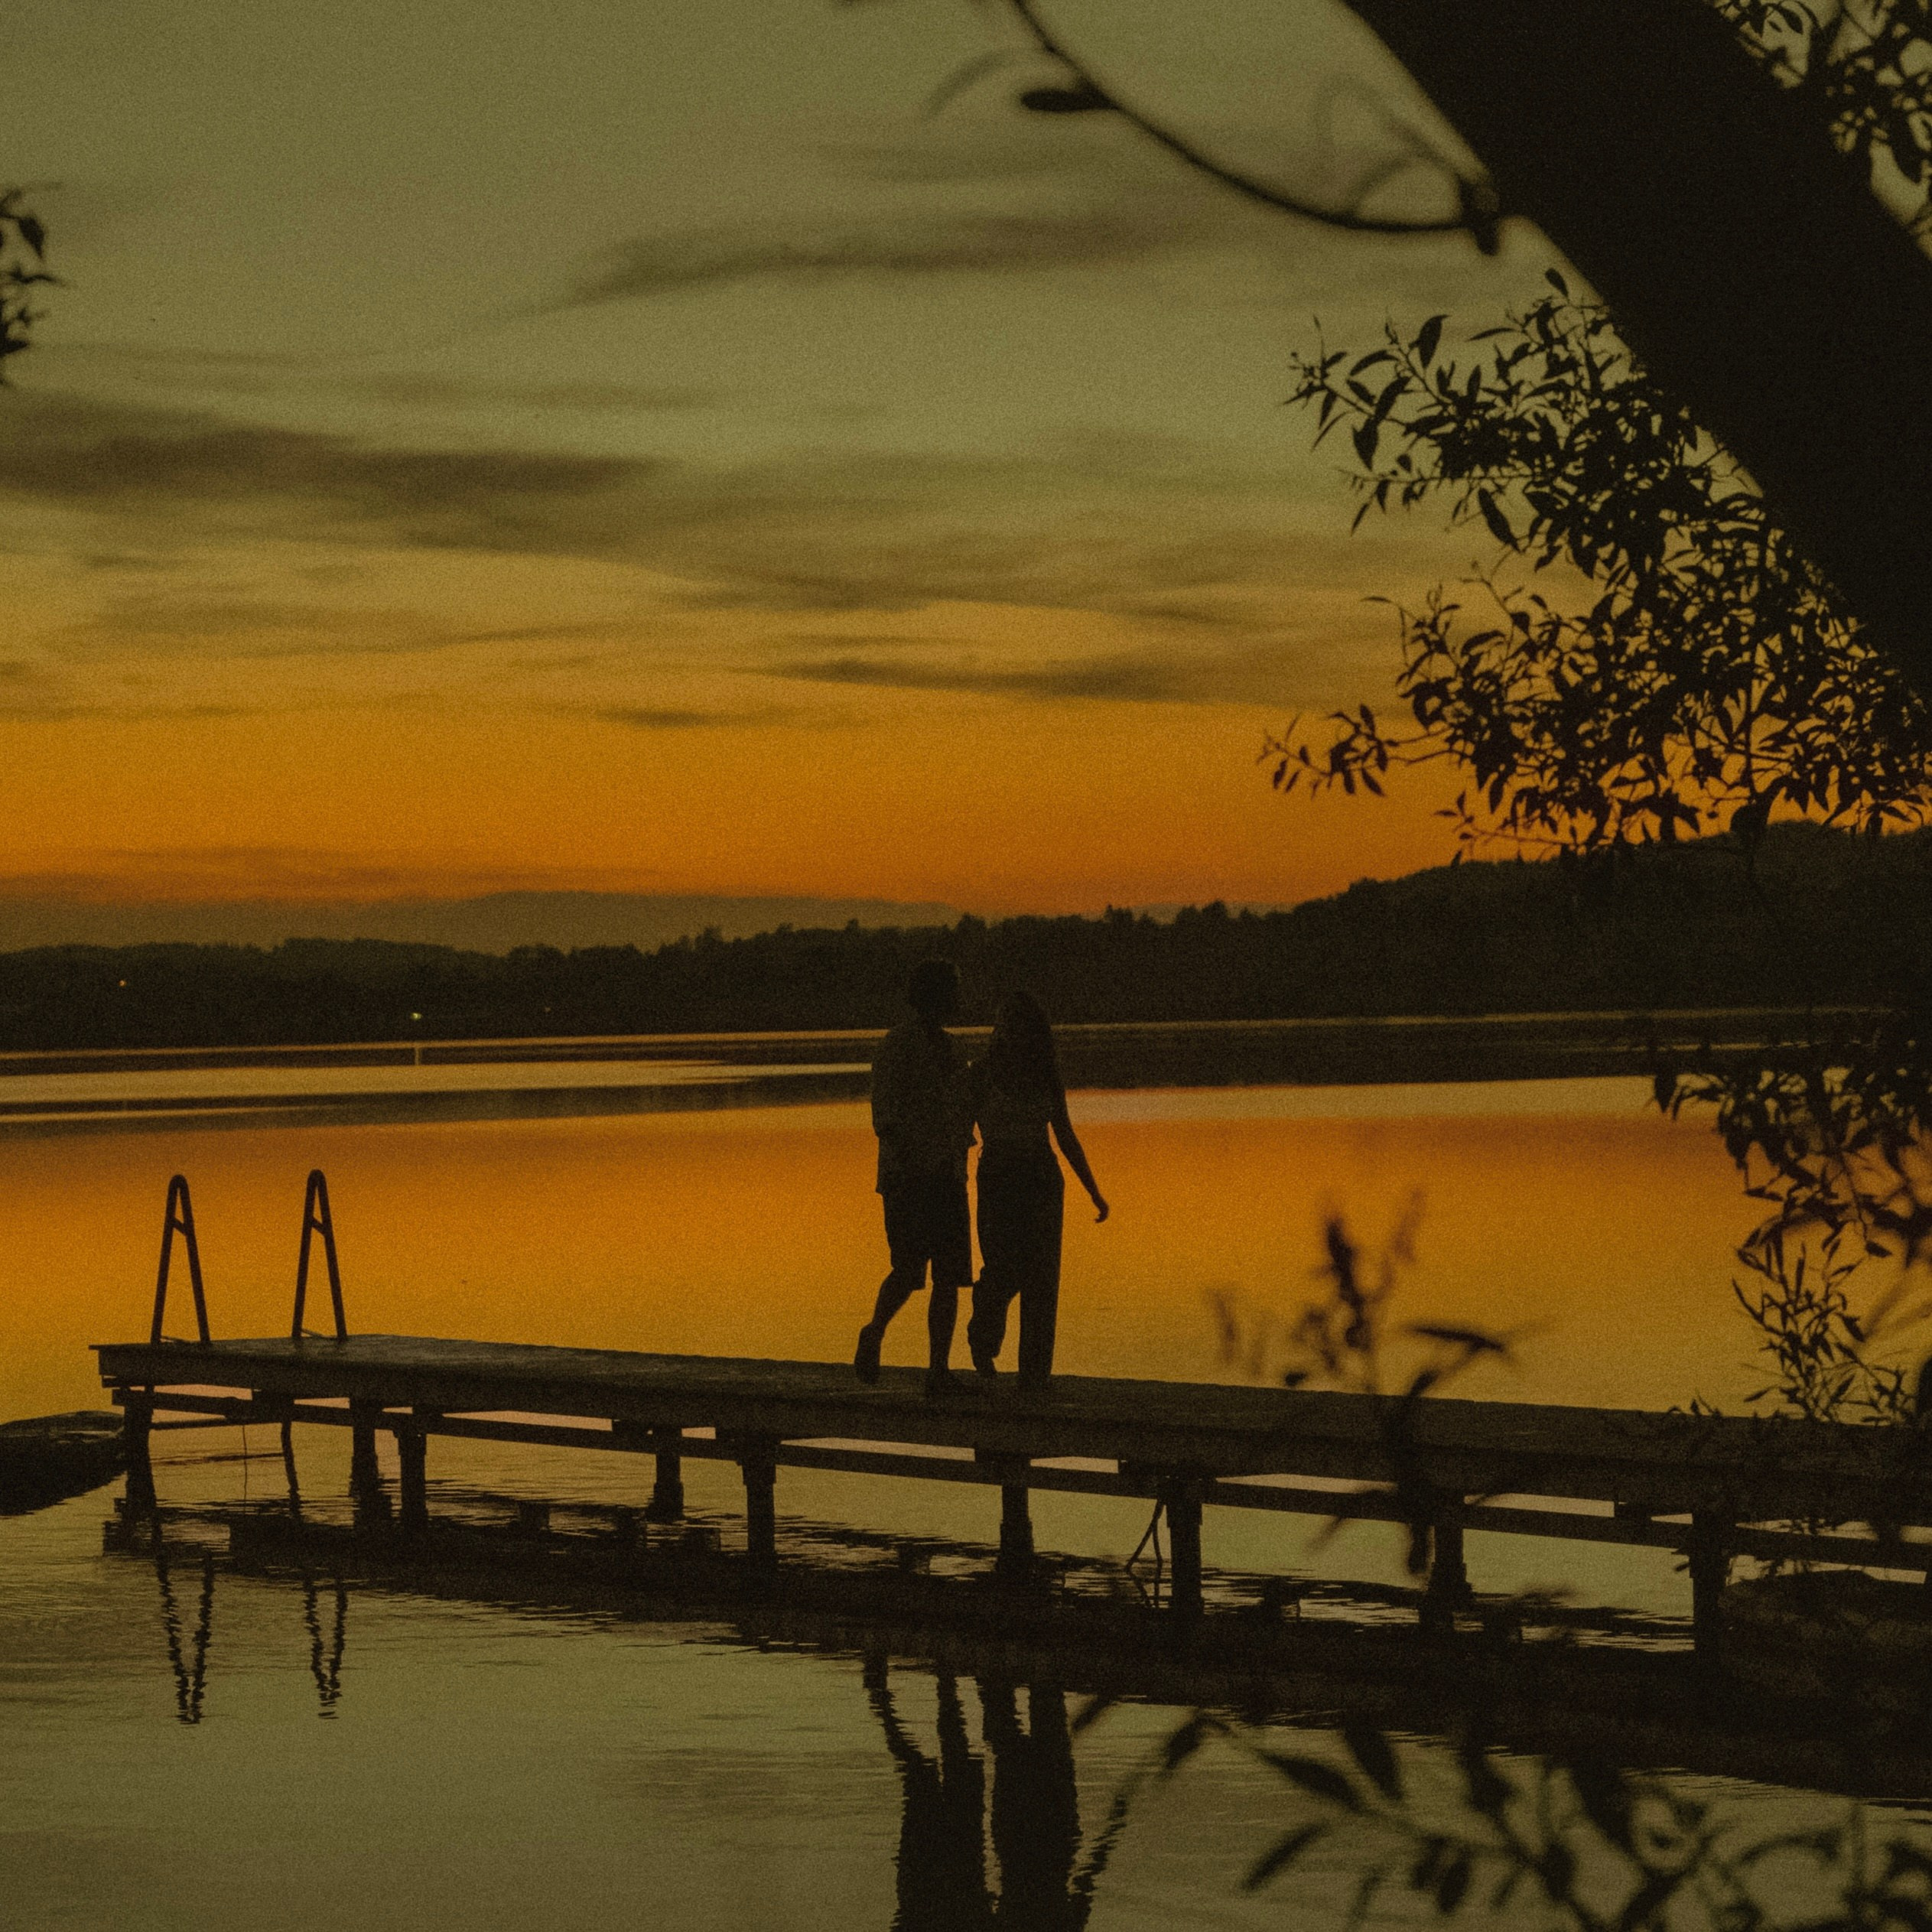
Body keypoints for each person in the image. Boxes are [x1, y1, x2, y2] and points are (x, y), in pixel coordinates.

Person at [965, 992, 1107, 1391]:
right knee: (1003, 1269)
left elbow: (1065, 1134)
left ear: (1033, 1033)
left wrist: (1093, 1191)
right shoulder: (980, 1074)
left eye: (1018, 1027)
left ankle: (1034, 1375)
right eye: (1004, 1026)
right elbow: (960, 1130)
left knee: (1042, 1279)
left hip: (1042, 1178)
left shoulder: (1046, 1074)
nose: (1009, 1034)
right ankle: (983, 1333)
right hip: (998, 1177)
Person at [857, 958, 975, 1394]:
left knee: (949, 1276)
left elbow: (962, 1106)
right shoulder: (897, 1045)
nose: (959, 997)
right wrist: (910, 1159)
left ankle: (938, 1371)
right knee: (908, 1271)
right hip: (908, 1176)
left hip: (947, 1174)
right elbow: (885, 1115)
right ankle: (874, 1332)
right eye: (953, 989)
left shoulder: (953, 1048)